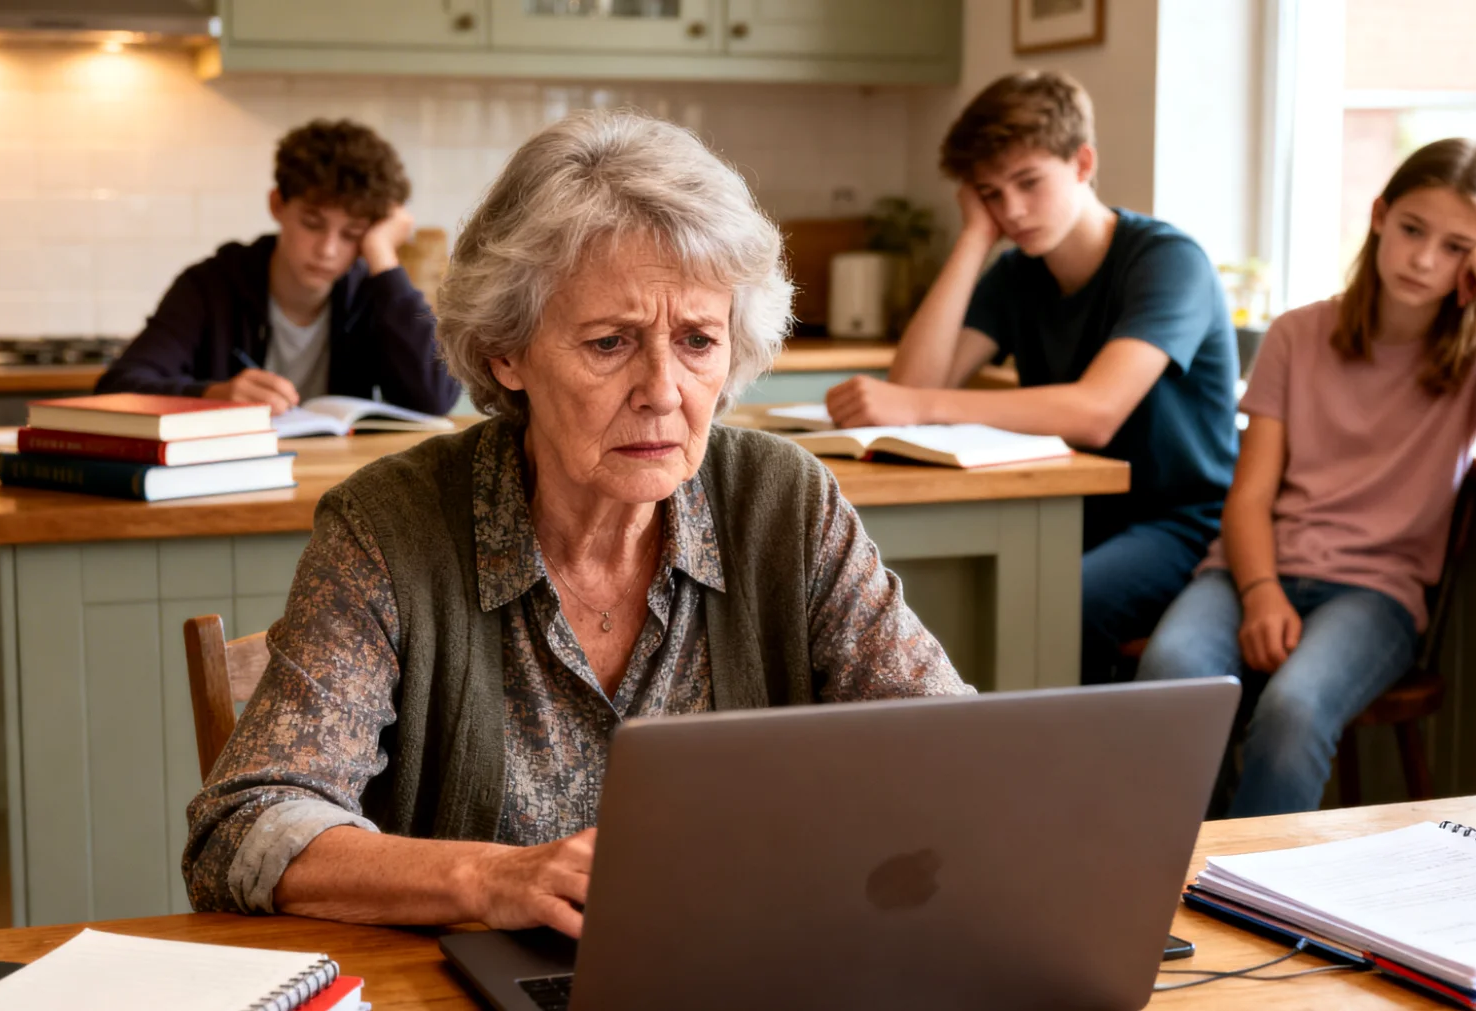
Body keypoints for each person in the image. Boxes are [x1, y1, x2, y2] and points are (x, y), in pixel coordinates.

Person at [182, 110, 971, 936]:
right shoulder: (388, 527)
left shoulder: (788, 505)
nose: (663, 389)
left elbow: (952, 758)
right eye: (610, 343)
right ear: (506, 352)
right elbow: (244, 826)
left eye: (698, 340)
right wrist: (491, 878)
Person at [1137, 138, 1476, 817]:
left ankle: (1246, 898)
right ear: (1379, 215)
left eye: (1456, 248)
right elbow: (1250, 498)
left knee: (1294, 708)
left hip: (1375, 594)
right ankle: (1173, 875)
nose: (1423, 259)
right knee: (1169, 675)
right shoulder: (1298, 334)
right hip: (1248, 570)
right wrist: (1260, 593)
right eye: (1412, 229)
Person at [824, 71, 1239, 684]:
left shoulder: (1167, 261)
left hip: (1179, 523)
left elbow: (1095, 412)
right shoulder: (1019, 273)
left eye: (1028, 183)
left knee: (1050, 604)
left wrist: (918, 403)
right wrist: (974, 238)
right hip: (1065, 508)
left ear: (1083, 163)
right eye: (990, 193)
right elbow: (911, 381)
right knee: (946, 595)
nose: (1011, 210)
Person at [95, 119, 460, 416]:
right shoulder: (211, 285)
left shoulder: (373, 294)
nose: (328, 250)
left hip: (340, 482)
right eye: (312, 224)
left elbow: (434, 399)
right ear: (277, 205)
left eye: (351, 234)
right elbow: (118, 387)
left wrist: (383, 255)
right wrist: (213, 393)